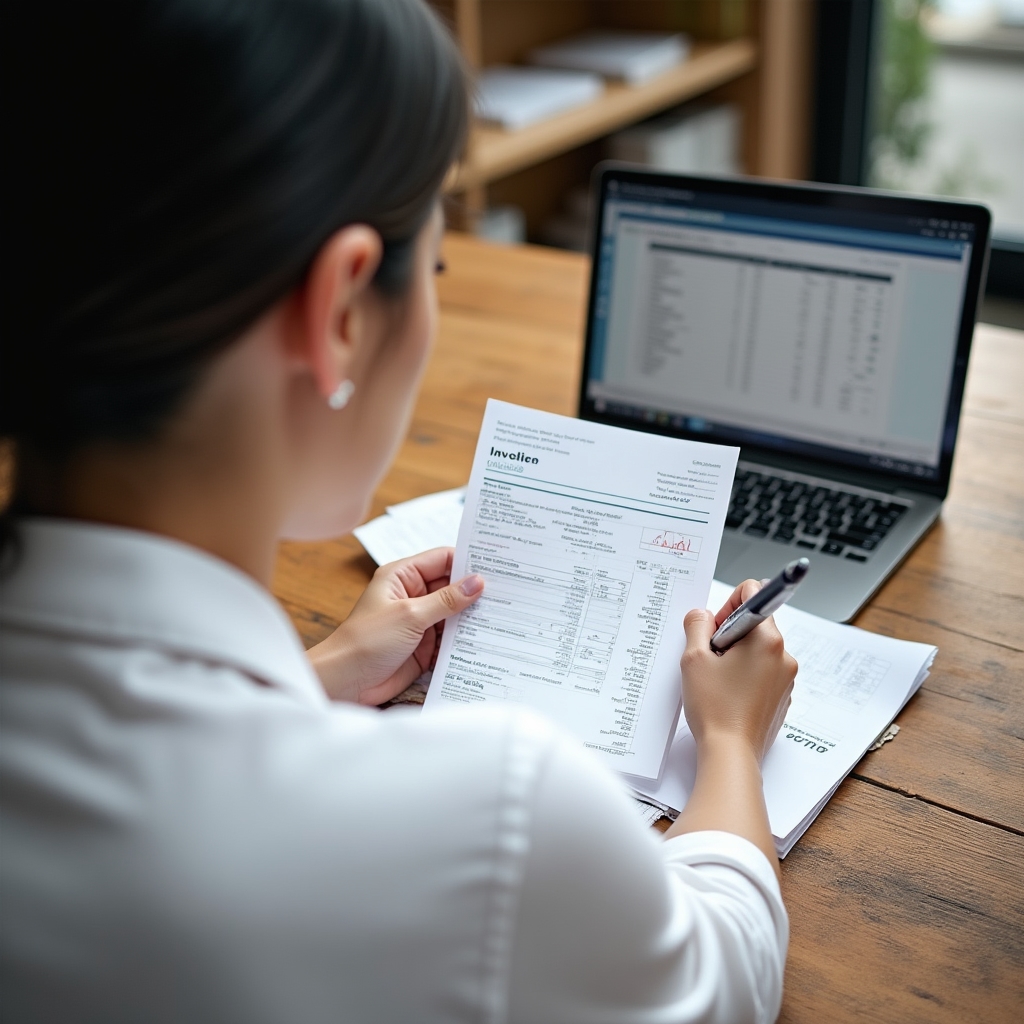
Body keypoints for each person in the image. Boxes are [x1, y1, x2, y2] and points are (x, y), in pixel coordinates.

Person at [0, 1, 798, 1021]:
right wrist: (729, 744)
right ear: (339, 313)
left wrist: (318, 675)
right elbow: (722, 977)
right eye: (434, 267)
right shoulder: (487, 817)